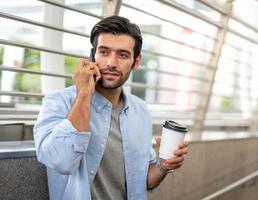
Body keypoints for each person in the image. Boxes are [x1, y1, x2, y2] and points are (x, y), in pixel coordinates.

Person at [33, 15, 189, 200]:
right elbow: (61, 161)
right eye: (104, 52)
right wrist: (84, 94)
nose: (111, 63)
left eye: (122, 55)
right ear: (93, 55)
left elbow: (142, 182)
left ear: (136, 61)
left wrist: (164, 165)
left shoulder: (140, 110)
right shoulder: (59, 102)